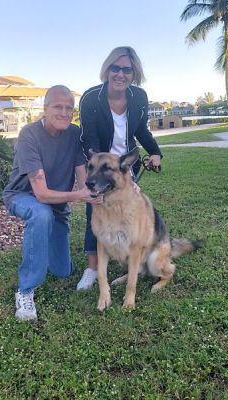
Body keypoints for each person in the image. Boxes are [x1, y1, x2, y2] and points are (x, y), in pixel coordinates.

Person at [3, 85, 101, 321]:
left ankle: (43, 250)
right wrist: (79, 196)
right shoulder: (29, 134)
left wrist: (96, 194)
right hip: (23, 196)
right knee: (41, 214)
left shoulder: (73, 134)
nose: (65, 112)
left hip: (56, 206)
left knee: (63, 271)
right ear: (45, 108)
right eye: (58, 106)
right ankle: (25, 290)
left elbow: (83, 178)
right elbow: (42, 194)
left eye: (69, 108)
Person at [77, 46, 163, 290]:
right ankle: (92, 268)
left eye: (127, 69)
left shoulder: (139, 97)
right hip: (100, 164)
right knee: (94, 212)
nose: (120, 74)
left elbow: (141, 130)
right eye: (115, 68)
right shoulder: (91, 97)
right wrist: (99, 166)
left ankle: (130, 259)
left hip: (125, 165)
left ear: (134, 73)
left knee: (128, 211)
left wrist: (155, 152)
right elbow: (87, 138)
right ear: (107, 69)